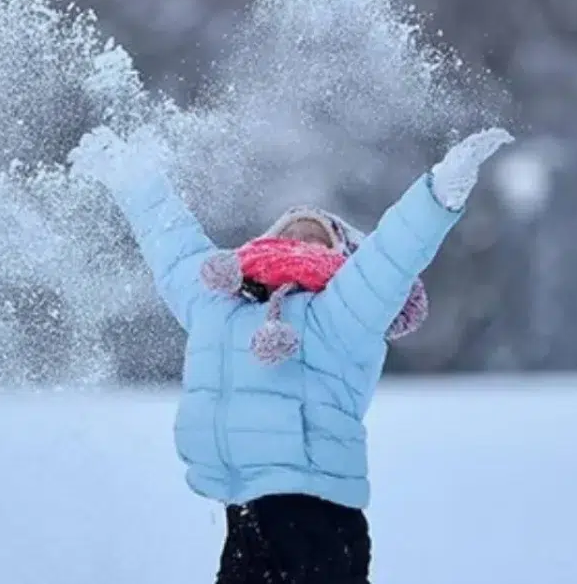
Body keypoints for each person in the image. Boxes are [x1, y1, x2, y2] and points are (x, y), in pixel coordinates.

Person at [68, 126, 513, 583]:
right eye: (289, 232)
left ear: (344, 257)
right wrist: (134, 179)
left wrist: (438, 195)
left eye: (317, 237)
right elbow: (173, 247)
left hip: (318, 512)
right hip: (244, 511)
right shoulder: (218, 302)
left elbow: (392, 256)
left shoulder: (343, 310)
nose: (301, 239)